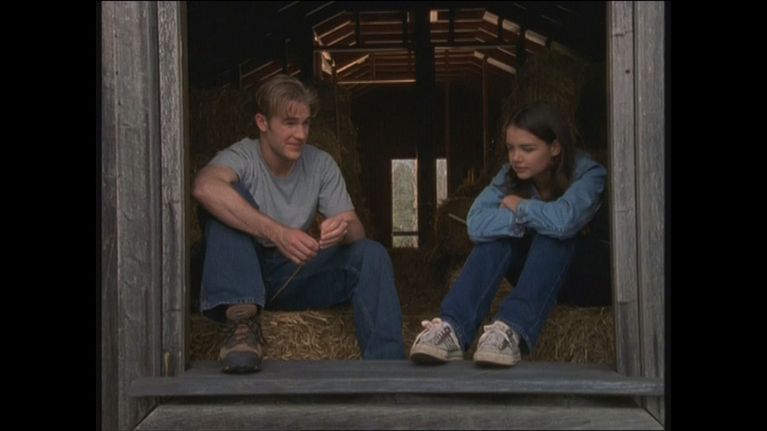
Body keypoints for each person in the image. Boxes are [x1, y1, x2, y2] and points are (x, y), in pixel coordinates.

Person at [193, 74, 405, 373]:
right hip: (239, 269)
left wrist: (342, 228)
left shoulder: (321, 163)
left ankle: (389, 368)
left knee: (372, 254)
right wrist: (278, 233)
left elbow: (358, 231)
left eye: (306, 123)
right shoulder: (242, 156)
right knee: (225, 199)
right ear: (262, 123)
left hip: (290, 274)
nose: (301, 134)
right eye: (290, 123)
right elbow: (204, 187)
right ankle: (242, 325)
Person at [409, 102, 607, 367]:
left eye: (527, 149)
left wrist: (521, 207)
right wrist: (532, 219)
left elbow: (564, 222)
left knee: (553, 236)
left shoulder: (589, 173)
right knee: (497, 239)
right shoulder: (509, 175)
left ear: (555, 148)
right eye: (511, 148)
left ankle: (511, 329)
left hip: (585, 277)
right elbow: (475, 224)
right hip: (537, 276)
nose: (516, 158)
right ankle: (452, 328)